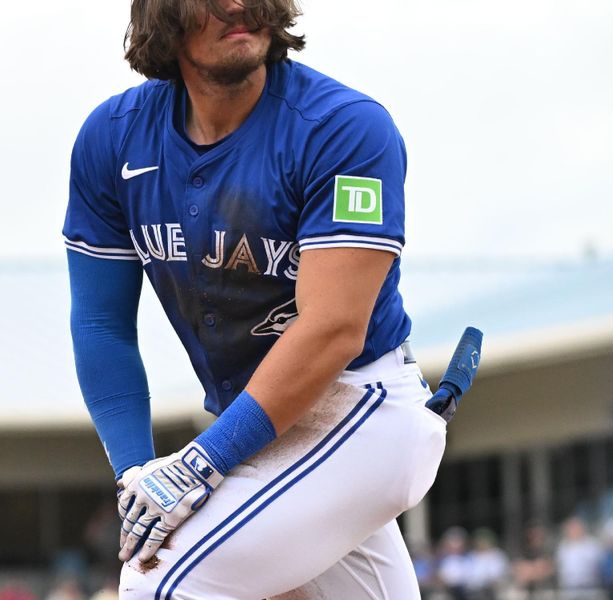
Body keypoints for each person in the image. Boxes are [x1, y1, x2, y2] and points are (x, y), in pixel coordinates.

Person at [63, 1, 450, 598]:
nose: (239, 4)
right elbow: (100, 324)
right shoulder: (113, 138)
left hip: (358, 410)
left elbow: (333, 328)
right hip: (259, 426)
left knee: (158, 582)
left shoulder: (342, 126)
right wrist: (135, 471)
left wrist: (198, 463)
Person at [554, 517, 604, 599]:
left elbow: (599, 564)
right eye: (571, 528)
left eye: (576, 528)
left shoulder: (592, 544)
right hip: (569, 589)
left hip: (590, 588)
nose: (574, 531)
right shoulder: (563, 547)